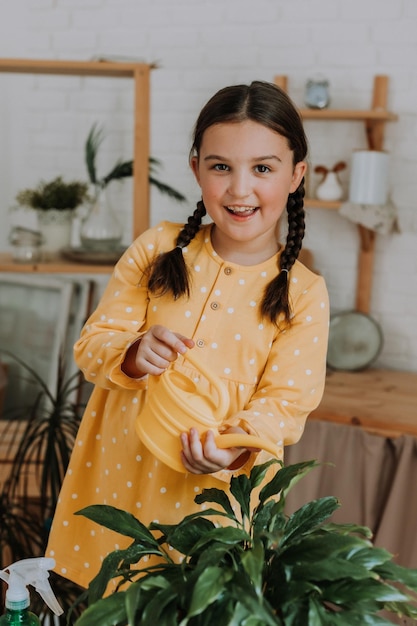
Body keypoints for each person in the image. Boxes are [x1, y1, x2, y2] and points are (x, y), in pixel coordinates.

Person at [46, 80, 329, 589]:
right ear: (196, 167)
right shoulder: (156, 249)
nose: (240, 190)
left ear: (295, 175)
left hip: (216, 500)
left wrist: (231, 449)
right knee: (113, 603)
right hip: (121, 483)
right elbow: (92, 346)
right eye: (221, 166)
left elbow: (284, 405)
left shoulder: (304, 293)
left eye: (262, 168)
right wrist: (132, 353)